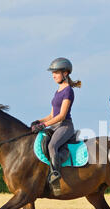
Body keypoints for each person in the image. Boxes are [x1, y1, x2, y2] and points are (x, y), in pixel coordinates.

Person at [31, 57, 81, 186]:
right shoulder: (57, 91)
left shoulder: (68, 91)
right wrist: (38, 121)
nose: (53, 76)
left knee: (52, 146)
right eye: (52, 73)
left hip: (65, 126)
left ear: (65, 73)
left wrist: (43, 125)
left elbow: (61, 116)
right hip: (55, 126)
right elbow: (52, 115)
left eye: (56, 72)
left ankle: (55, 175)